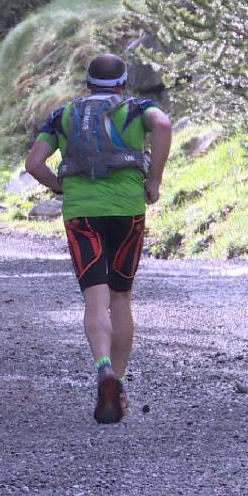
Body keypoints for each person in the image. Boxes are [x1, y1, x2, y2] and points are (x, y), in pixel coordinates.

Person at [25, 53, 172, 424]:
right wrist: (153, 181)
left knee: (95, 298)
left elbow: (33, 163)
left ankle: (103, 368)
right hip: (127, 210)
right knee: (121, 296)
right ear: (123, 83)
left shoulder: (64, 115)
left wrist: (60, 187)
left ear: (87, 83)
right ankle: (118, 383)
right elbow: (165, 126)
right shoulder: (139, 108)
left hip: (81, 214)